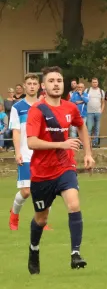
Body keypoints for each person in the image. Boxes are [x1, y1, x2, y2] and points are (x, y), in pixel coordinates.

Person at [25, 66, 95, 274]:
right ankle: (34, 250)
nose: (56, 84)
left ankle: (75, 254)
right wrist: (61, 144)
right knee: (41, 219)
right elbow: (31, 142)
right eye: (51, 80)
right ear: (43, 86)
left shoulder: (70, 108)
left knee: (74, 204)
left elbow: (81, 126)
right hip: (41, 173)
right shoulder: (37, 110)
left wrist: (88, 153)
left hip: (65, 167)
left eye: (59, 80)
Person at [9, 74, 52, 231]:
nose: (32, 86)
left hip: (42, 153)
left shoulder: (44, 106)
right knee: (26, 191)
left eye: (35, 83)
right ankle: (14, 214)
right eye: (29, 83)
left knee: (45, 189)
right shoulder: (17, 107)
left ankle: (42, 220)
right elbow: (16, 132)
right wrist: (17, 152)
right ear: (24, 86)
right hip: (26, 154)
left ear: (39, 86)